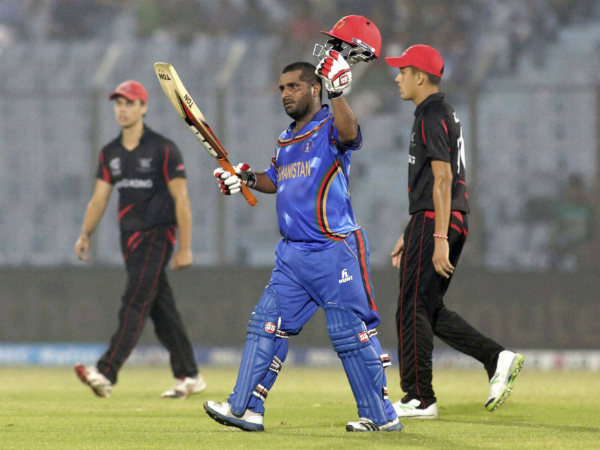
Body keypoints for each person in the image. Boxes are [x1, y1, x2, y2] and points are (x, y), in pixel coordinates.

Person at [203, 55, 401, 432]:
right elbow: (275, 179)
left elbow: (350, 135)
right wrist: (245, 178)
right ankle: (245, 407)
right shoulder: (286, 139)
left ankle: (381, 417)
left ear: (314, 88)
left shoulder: (330, 124)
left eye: (293, 86)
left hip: (334, 248)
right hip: (292, 255)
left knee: (349, 335)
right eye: (281, 88)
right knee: (266, 323)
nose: (285, 94)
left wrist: (338, 94)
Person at [385, 45, 524, 419]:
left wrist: (438, 236)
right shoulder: (441, 113)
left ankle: (419, 398)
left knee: (411, 307)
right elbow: (436, 180)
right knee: (428, 308)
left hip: (438, 219)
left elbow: (443, 178)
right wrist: (411, 231)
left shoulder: (431, 115)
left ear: (420, 77)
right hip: (441, 217)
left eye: (403, 71)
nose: (397, 78)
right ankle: (496, 357)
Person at [73, 80, 206, 399]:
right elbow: (99, 199)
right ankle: (190, 374)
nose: (122, 109)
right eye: (118, 104)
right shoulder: (111, 153)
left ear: (143, 107)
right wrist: (85, 233)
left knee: (134, 301)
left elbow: (182, 199)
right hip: (129, 239)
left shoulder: (163, 149)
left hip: (158, 235)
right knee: (161, 309)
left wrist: (185, 247)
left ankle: (106, 371)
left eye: (129, 103)